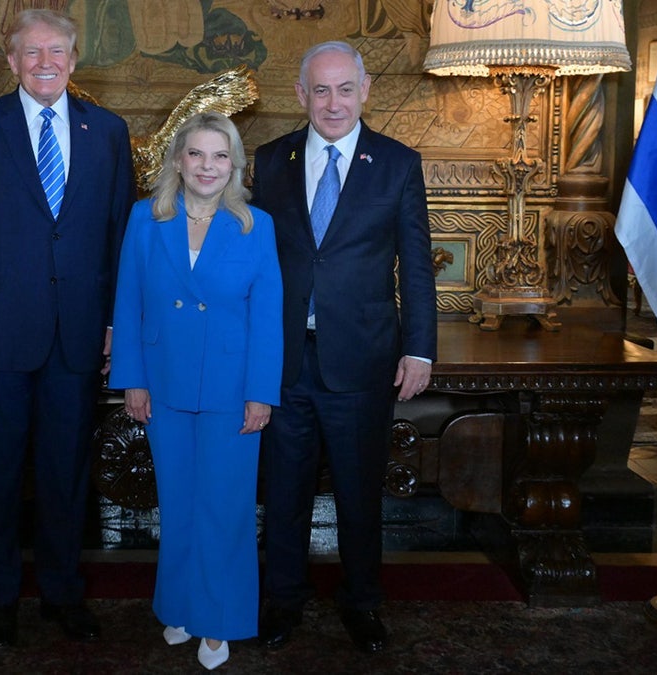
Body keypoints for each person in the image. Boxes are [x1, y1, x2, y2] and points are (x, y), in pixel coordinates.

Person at [0, 8, 134, 649]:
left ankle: (62, 592)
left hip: (78, 334)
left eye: (57, 52)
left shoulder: (107, 131)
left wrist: (114, 323)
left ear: (74, 60)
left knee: (66, 471)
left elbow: (119, 237)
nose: (45, 62)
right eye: (32, 53)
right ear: (11, 61)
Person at [250, 40, 437, 654]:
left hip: (363, 360)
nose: (334, 103)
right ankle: (284, 601)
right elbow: (251, 259)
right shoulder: (270, 159)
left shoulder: (399, 164)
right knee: (283, 492)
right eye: (321, 90)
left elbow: (415, 267)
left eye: (345, 89)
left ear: (365, 92)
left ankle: (362, 604)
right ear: (301, 96)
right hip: (283, 360)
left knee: (360, 493)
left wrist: (421, 350)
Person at [110, 111, 283, 670]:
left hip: (233, 390)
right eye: (196, 154)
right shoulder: (145, 219)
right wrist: (132, 379)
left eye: (220, 155)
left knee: (225, 508)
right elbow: (128, 303)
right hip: (163, 386)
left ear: (234, 164)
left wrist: (261, 393)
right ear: (178, 160)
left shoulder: (256, 225)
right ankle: (180, 606)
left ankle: (220, 619)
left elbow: (269, 318)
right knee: (178, 503)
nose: (207, 166)